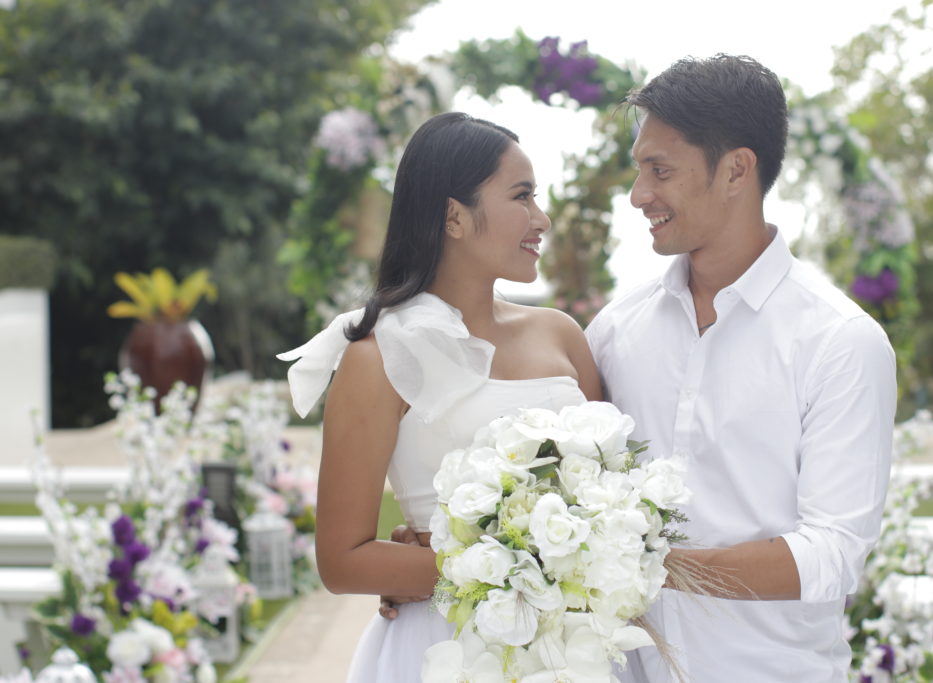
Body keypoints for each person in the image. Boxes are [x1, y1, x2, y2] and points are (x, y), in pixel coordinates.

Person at [584, 55, 898, 682]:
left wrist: (647, 563)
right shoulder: (614, 332)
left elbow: (831, 553)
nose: (638, 194)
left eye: (660, 170)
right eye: (639, 169)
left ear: (736, 170)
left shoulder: (840, 341)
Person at [276, 111, 601, 682]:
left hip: (574, 650)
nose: (541, 218)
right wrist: (501, 572)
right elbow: (342, 560)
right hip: (446, 651)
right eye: (522, 196)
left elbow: (612, 491)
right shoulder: (379, 356)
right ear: (454, 215)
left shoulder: (562, 336)